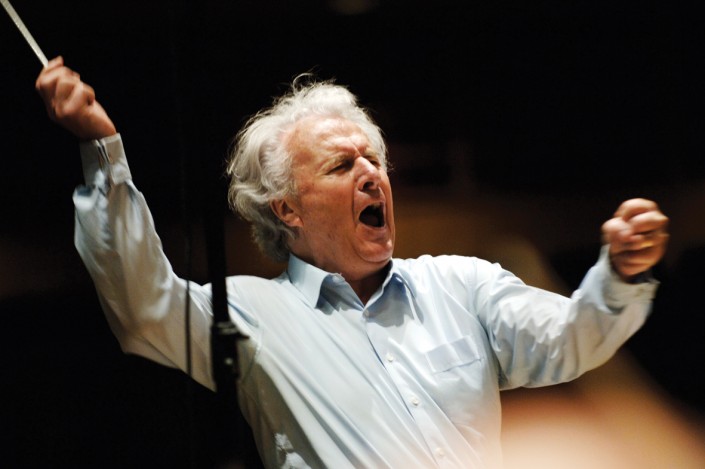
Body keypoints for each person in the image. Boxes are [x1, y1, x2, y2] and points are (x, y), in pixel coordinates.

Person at [36, 56, 669, 469]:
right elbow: (144, 307)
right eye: (343, 165)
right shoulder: (251, 316)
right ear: (287, 209)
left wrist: (620, 273)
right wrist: (102, 147)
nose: (371, 174)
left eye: (374, 160)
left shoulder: (462, 283)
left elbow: (569, 337)